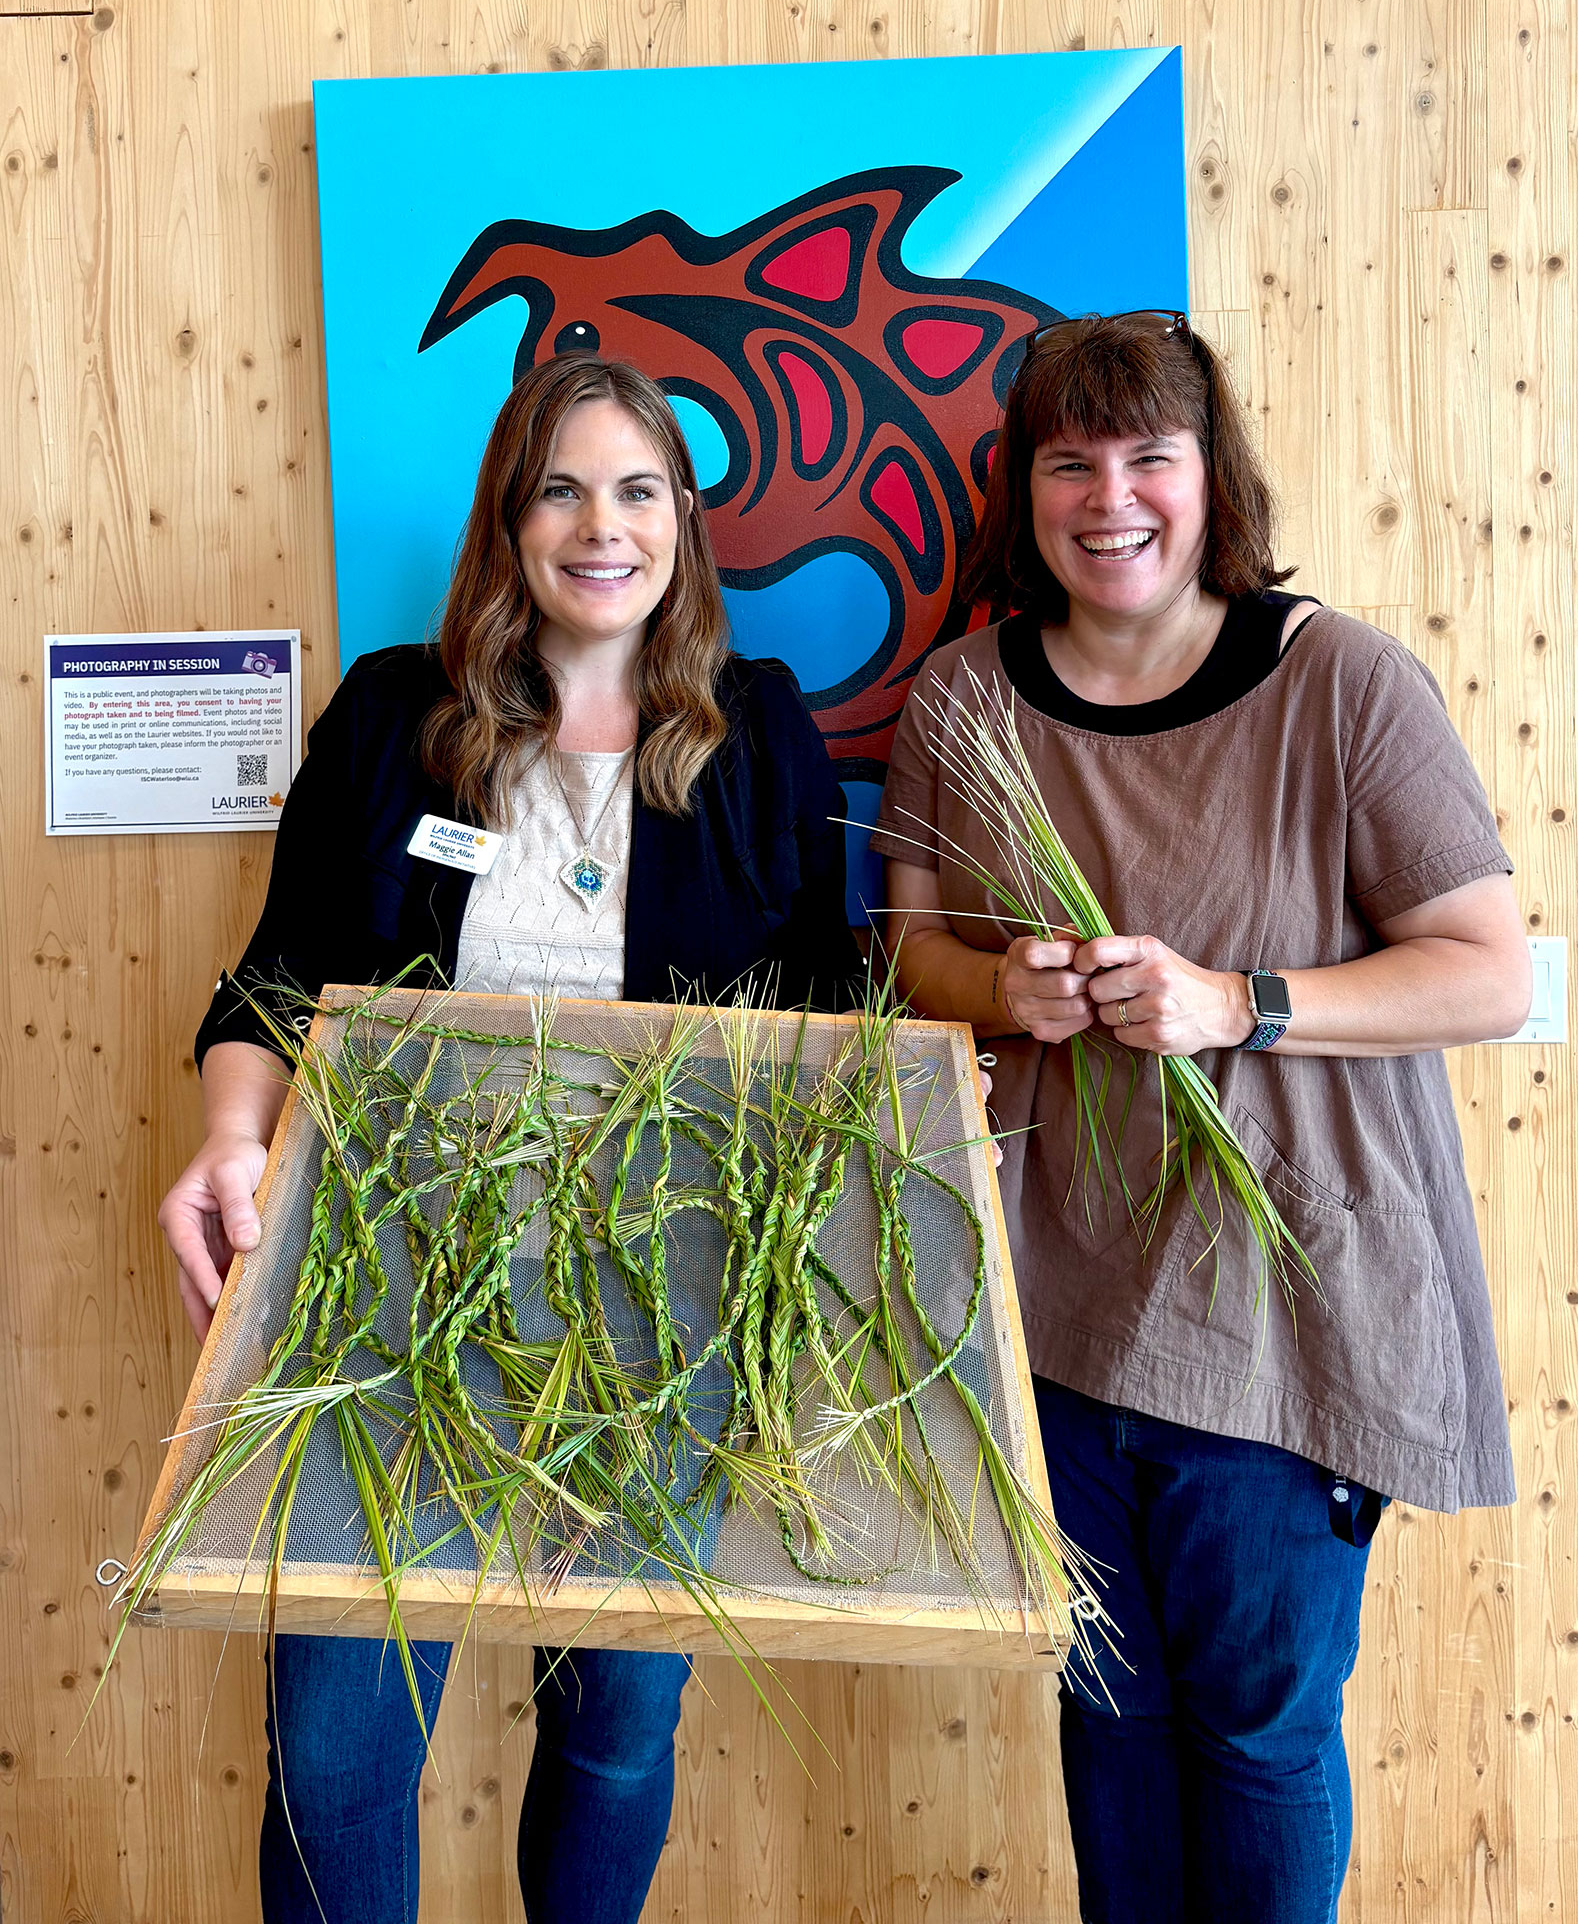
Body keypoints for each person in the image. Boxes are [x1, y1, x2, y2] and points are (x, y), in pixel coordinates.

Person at [158, 353, 862, 1924]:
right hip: (380, 1297)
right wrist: (226, 1139)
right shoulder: (396, 718)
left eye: (634, 490)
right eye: (560, 488)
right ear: (509, 518)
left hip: (656, 1317)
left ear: (681, 518)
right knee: (336, 1731)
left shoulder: (753, 733)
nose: (598, 527)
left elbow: (834, 1009)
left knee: (616, 1724)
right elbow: (280, 978)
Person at [872, 312, 1531, 1924]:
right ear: (1023, 488)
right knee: (1109, 1722)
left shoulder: (1341, 685)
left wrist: (1238, 1003)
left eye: (1147, 456)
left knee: (1253, 1730)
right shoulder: (963, 694)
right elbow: (906, 949)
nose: (1112, 498)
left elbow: (1487, 972)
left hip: (1284, 1316)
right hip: (1051, 1313)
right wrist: (995, 992)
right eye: (1069, 461)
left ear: (1205, 474)